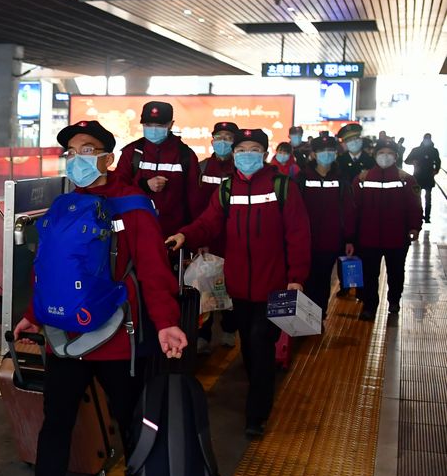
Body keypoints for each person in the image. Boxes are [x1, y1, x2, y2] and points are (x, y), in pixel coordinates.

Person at [6, 120, 187, 476]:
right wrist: (33, 314)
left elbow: (153, 269)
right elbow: (47, 268)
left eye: (87, 150)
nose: (77, 159)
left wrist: (166, 323)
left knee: (130, 418)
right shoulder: (63, 205)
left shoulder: (133, 205)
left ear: (108, 157)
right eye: (71, 152)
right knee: (56, 420)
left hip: (118, 338)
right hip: (65, 337)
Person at [166, 128, 311, 439]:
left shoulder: (282, 186)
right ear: (234, 154)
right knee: (249, 343)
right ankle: (258, 388)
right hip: (239, 288)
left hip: (274, 286)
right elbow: (208, 223)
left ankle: (256, 414)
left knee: (261, 342)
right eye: (241, 149)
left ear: (264, 153)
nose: (247, 155)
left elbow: (298, 234)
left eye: (254, 149)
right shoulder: (227, 189)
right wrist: (184, 235)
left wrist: (296, 278)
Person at [353, 138, 423, 320]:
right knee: (369, 274)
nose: (385, 157)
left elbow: (415, 206)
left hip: (397, 237)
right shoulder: (362, 179)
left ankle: (394, 300)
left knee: (396, 272)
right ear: (375, 155)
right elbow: (354, 208)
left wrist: (415, 227)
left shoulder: (406, 179)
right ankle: (369, 306)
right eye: (382, 153)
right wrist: (351, 235)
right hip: (368, 237)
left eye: (390, 153)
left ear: (396, 156)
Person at [113, 101, 201, 238]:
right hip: (136, 231)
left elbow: (195, 199)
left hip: (174, 235)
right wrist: (144, 185)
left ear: (171, 124)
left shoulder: (185, 155)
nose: (153, 129)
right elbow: (118, 188)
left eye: (159, 125)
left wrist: (193, 236)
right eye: (148, 125)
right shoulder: (132, 152)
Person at [296, 132, 356, 321]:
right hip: (305, 241)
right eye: (322, 151)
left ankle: (318, 317)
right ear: (313, 154)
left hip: (331, 241)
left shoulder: (341, 179)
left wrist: (349, 238)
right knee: (306, 279)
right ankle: (304, 317)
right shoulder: (301, 178)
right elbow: (293, 210)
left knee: (323, 280)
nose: (327, 154)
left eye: (330, 150)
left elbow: (348, 210)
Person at [193, 121, 240, 353]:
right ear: (212, 141)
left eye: (228, 138)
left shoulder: (240, 169)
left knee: (233, 286)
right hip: (208, 240)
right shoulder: (201, 168)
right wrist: (199, 239)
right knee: (206, 287)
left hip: (234, 240)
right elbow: (195, 205)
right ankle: (203, 334)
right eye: (219, 137)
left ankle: (230, 330)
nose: (222, 142)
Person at [404, 133, 441, 222]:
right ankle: (421, 215)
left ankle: (427, 216)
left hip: (426, 177)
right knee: (418, 198)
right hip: (419, 177)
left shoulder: (433, 151)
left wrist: (436, 170)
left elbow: (438, 162)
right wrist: (413, 161)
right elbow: (407, 161)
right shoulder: (417, 150)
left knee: (426, 198)